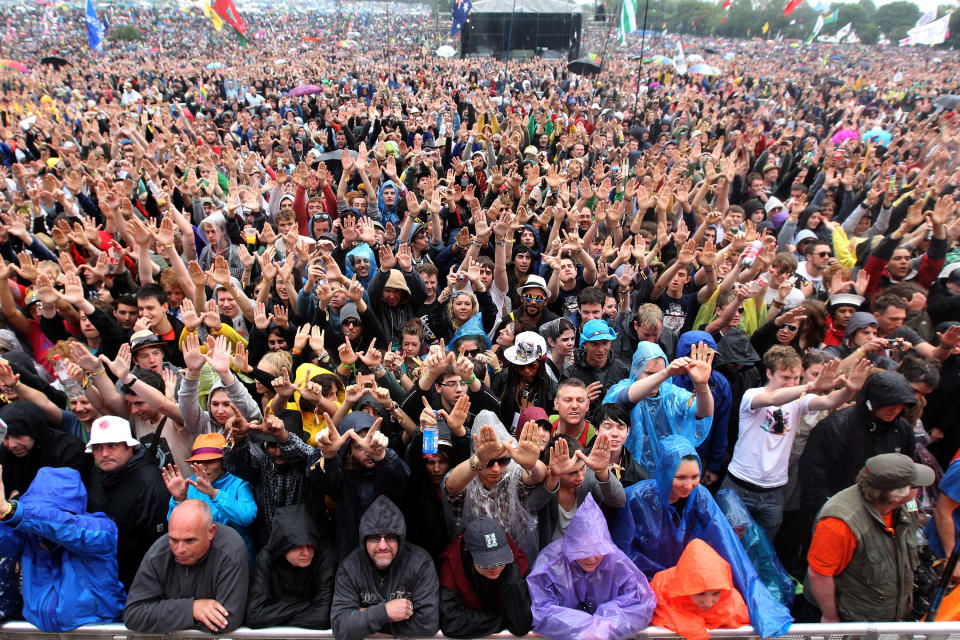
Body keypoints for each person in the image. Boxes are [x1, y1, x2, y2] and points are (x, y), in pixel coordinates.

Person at [613, 435, 792, 639]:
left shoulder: (701, 496)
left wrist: (757, 602)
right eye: (680, 477)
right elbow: (623, 554)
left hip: (693, 590)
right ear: (664, 471)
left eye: (694, 477)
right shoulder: (634, 498)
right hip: (651, 586)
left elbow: (728, 546)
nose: (689, 485)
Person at [723, 347, 872, 538]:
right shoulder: (752, 394)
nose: (791, 383)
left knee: (763, 552)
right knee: (729, 546)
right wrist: (810, 386)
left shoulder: (799, 400)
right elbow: (772, 398)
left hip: (774, 493)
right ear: (769, 373)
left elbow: (829, 402)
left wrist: (850, 390)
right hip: (740, 485)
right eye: (785, 377)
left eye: (795, 378)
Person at [806, 453, 934, 622]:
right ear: (897, 495)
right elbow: (819, 575)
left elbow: (911, 523)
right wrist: (831, 618)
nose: (919, 491)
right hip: (855, 622)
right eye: (916, 486)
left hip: (891, 615)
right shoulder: (838, 525)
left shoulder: (907, 504)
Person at [0, 466, 126, 632]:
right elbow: (5, 539)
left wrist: (12, 511)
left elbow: (65, 526)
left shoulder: (100, 529)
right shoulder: (29, 537)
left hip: (95, 630)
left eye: (48, 510)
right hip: (41, 630)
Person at [527, 494, 656, 640]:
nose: (592, 558)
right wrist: (585, 628)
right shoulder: (550, 563)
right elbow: (541, 608)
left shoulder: (617, 561)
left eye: (598, 551)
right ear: (571, 547)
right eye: (583, 552)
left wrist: (606, 625)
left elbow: (641, 602)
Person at [800, 371, 919, 522]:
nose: (895, 410)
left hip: (882, 511)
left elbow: (907, 472)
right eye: (889, 405)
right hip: (838, 510)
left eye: (900, 405)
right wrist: (826, 511)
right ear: (873, 401)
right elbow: (813, 475)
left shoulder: (902, 429)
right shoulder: (836, 426)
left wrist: (909, 512)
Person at [123, 499, 250, 634]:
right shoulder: (159, 553)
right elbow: (133, 614)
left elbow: (227, 621)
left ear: (211, 532)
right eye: (173, 540)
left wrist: (165, 619)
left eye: (190, 540)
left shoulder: (230, 551)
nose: (180, 549)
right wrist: (192, 609)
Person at [330, 495, 440, 640]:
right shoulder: (350, 568)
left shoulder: (420, 564)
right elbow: (340, 626)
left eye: (390, 537)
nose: (382, 546)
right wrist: (384, 613)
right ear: (364, 540)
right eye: (374, 537)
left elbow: (428, 624)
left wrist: (361, 618)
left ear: (400, 539)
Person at [84, 415, 169, 591]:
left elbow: (158, 546)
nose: (105, 453)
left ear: (130, 446)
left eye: (112, 446)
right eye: (98, 448)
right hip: (102, 578)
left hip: (138, 583)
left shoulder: (150, 483)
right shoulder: (97, 475)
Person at [160, 433, 257, 560]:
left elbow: (247, 516)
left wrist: (214, 493)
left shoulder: (239, 482)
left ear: (224, 461)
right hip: (202, 560)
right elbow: (176, 526)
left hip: (237, 558)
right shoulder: (191, 484)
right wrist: (179, 499)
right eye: (198, 462)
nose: (203, 467)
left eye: (210, 461)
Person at [438, 516, 532, 638]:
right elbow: (452, 623)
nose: (496, 567)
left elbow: (521, 626)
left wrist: (512, 584)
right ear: (469, 553)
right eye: (487, 562)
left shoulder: (512, 554)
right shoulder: (452, 562)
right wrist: (505, 619)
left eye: (500, 558)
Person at [246, 504, 337, 629]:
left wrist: (275, 614)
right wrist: (309, 605)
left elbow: (323, 616)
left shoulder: (325, 556)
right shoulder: (266, 558)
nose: (306, 552)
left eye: (310, 545)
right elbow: (255, 615)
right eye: (298, 546)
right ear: (283, 546)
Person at [651, 539, 752, 640]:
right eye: (700, 594)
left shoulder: (732, 602)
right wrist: (689, 625)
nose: (708, 603)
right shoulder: (662, 586)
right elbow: (654, 608)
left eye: (716, 593)